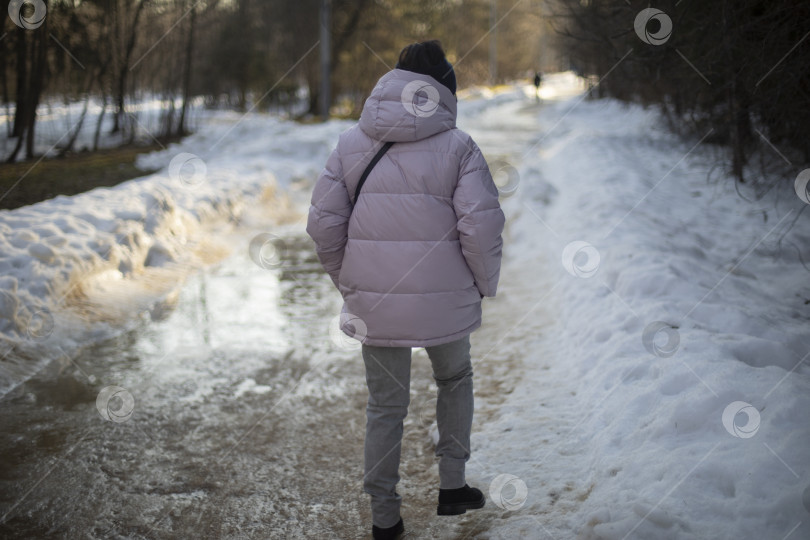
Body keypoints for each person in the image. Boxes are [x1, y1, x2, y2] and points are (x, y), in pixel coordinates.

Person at [306, 40, 505, 540]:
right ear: (445, 91)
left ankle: (384, 518)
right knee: (454, 379)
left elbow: (323, 226)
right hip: (446, 298)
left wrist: (352, 283)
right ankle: (452, 486)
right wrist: (481, 286)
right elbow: (480, 229)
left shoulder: (351, 143)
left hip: (374, 303)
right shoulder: (459, 148)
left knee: (385, 406)